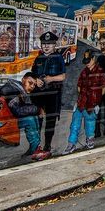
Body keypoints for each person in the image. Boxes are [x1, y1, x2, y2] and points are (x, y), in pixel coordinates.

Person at [30, 31, 66, 159]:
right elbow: (32, 74)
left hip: (52, 94)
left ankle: (47, 146)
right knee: (37, 121)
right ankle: (35, 146)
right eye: (44, 43)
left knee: (50, 122)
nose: (46, 46)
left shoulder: (59, 58)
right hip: (39, 95)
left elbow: (63, 76)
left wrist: (51, 79)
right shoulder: (38, 58)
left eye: (49, 44)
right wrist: (36, 80)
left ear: (54, 45)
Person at [64, 50, 105, 154]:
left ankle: (90, 140)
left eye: (89, 60)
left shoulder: (100, 72)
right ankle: (71, 144)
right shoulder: (84, 71)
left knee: (90, 123)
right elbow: (79, 86)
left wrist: (97, 101)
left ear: (94, 59)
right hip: (81, 102)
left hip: (92, 103)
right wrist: (80, 99)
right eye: (86, 60)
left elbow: (103, 88)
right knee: (75, 124)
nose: (87, 63)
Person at [0, 72, 45, 160]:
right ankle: (35, 150)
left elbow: (21, 109)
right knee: (30, 120)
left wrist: (37, 109)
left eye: (34, 85)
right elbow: (18, 111)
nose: (32, 86)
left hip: (8, 119)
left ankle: (35, 149)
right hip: (2, 123)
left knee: (33, 118)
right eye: (30, 83)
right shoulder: (13, 90)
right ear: (23, 79)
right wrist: (37, 109)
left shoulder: (18, 89)